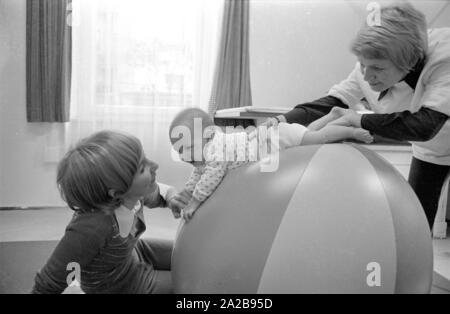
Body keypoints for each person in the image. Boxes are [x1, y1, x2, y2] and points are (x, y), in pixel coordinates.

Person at [264, 2, 450, 230]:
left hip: (432, 131)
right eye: (363, 65)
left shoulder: (444, 58)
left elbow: (425, 125)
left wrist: (358, 119)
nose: (367, 76)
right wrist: (280, 121)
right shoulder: (368, 66)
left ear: (409, 63)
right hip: (432, 151)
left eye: (378, 69)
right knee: (415, 225)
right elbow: (333, 102)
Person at [32, 130, 191, 294]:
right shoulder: (91, 227)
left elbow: (159, 193)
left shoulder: (131, 195)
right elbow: (50, 280)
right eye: (142, 168)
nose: (155, 165)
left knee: (188, 254)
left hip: (134, 256)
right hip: (120, 287)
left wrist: (172, 198)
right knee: (191, 286)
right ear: (117, 193)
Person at [169, 107, 373, 221]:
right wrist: (185, 194)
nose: (184, 156)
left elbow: (211, 177)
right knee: (308, 134)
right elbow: (197, 177)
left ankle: (349, 130)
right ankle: (333, 116)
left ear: (209, 134)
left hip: (275, 139)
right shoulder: (205, 154)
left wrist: (195, 202)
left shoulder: (215, 150)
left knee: (317, 138)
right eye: (180, 151)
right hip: (274, 137)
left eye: (188, 147)